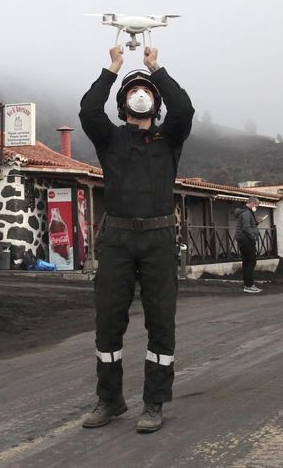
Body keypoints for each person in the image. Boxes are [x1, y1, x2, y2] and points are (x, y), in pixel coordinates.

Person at [79, 45, 194, 433]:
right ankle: (110, 400)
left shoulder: (169, 139)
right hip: (116, 241)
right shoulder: (110, 140)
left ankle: (154, 403)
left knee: (161, 323)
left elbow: (185, 109)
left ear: (155, 103)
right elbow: (88, 111)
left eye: (146, 91)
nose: (140, 94)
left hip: (159, 239)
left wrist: (155, 68)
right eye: (133, 90)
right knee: (108, 324)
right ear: (124, 102)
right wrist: (113, 69)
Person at [235, 196, 262, 293]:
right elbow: (246, 228)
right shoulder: (247, 212)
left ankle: (248, 285)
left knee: (246, 262)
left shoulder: (244, 212)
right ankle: (249, 285)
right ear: (252, 203)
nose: (256, 207)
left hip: (243, 240)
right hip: (247, 240)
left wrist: (256, 223)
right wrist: (253, 237)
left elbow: (249, 225)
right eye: (256, 205)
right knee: (251, 262)